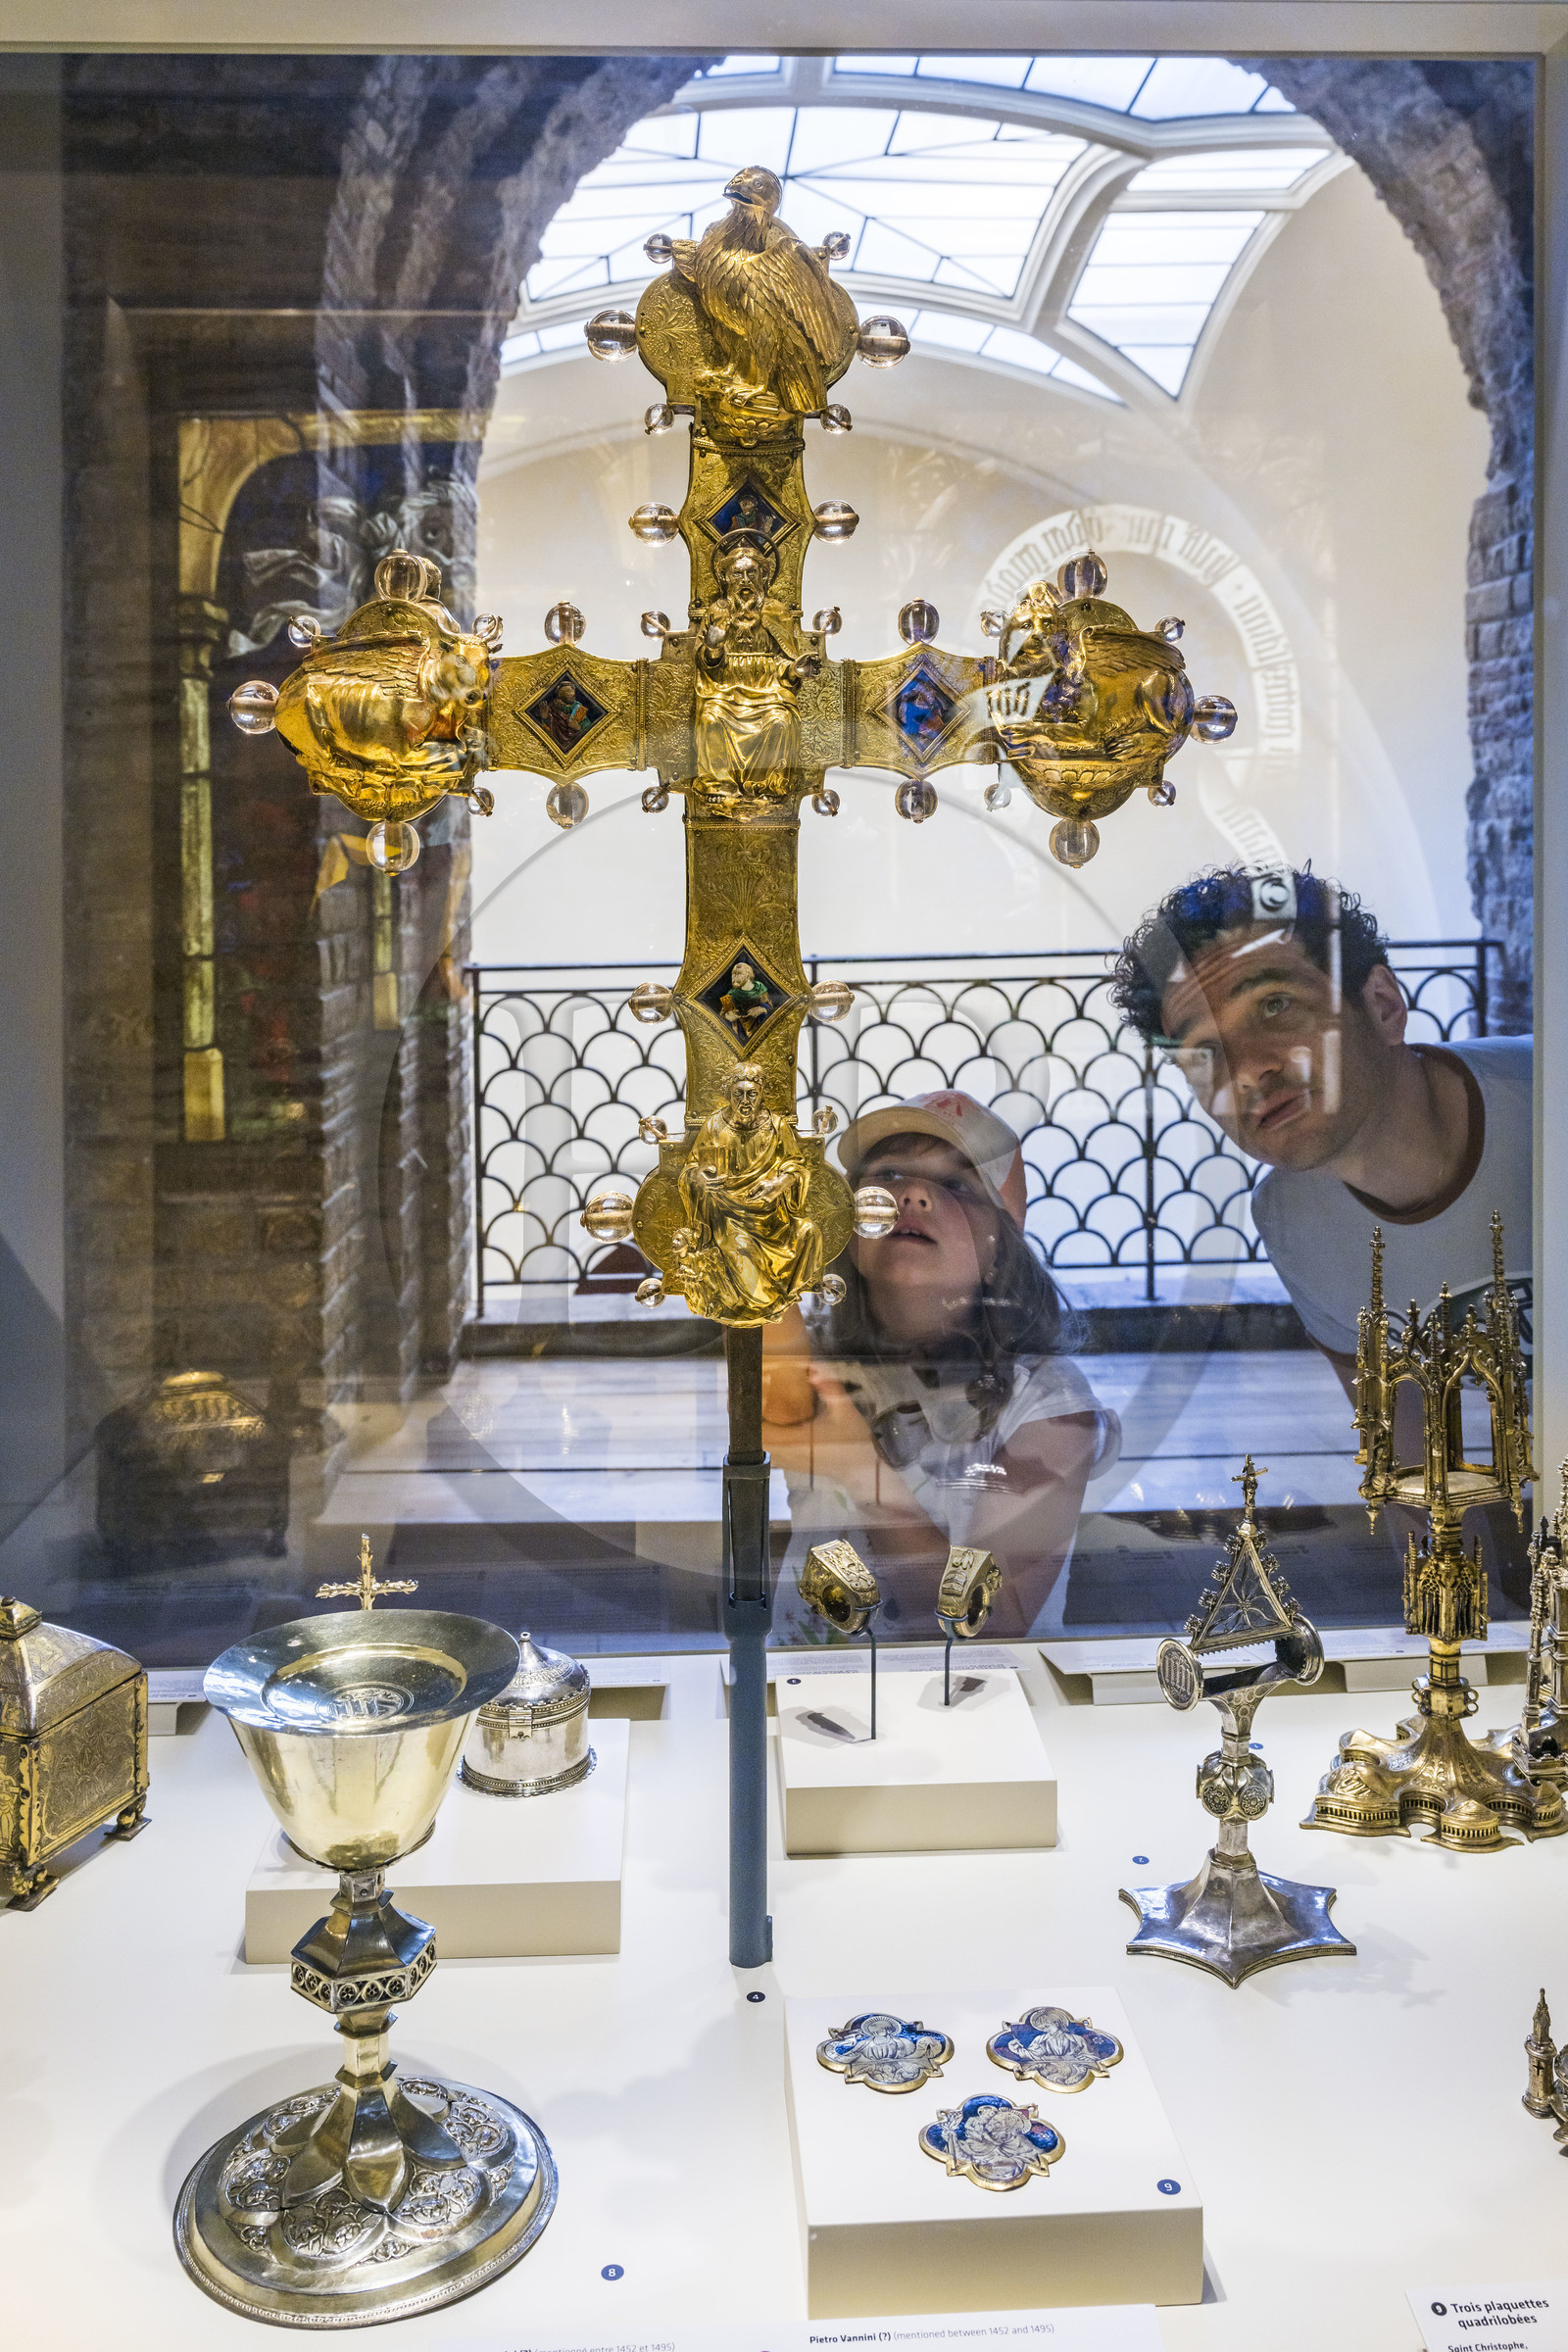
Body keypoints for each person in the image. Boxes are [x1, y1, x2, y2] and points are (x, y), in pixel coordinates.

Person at [1109, 865, 1531, 1378]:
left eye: (1275, 1005)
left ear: (1382, 1005)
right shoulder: (1293, 1221)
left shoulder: (1544, 1104)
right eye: (1204, 1052)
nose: (1245, 1070)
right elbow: (1400, 1441)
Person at [762, 1090, 1120, 1641]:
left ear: (1001, 1244)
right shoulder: (817, 1357)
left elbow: (992, 1622)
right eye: (887, 1174)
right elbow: (754, 1282)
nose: (912, 1195)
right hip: (808, 1694)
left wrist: (861, 1471)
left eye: (956, 1186)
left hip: (982, 1711)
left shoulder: (1050, 1404)